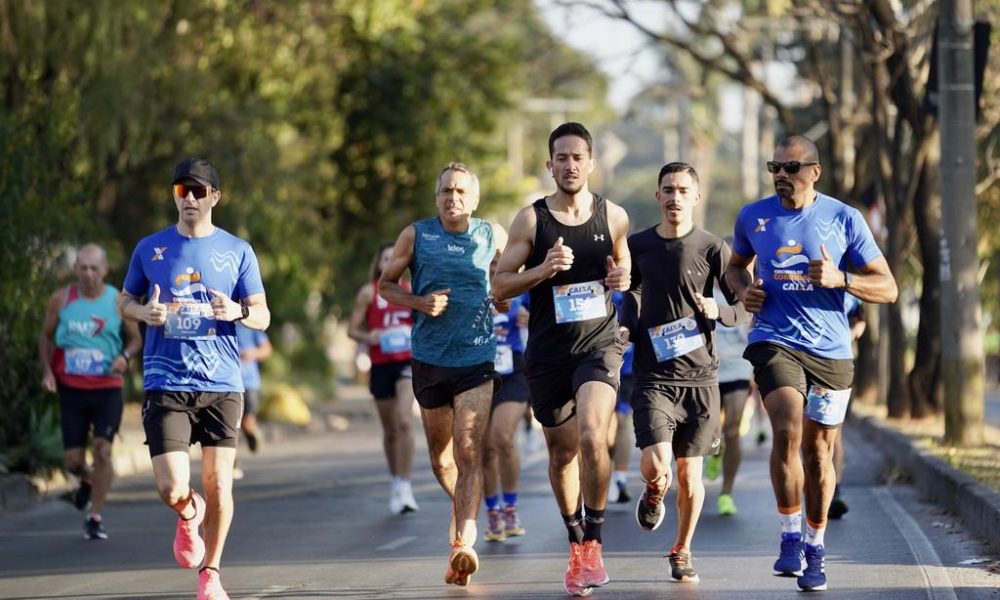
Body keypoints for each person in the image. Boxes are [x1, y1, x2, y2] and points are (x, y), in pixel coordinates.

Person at [725, 136, 897, 592]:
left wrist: (842, 278)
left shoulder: (844, 218)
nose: (782, 174)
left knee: (819, 453)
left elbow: (888, 288)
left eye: (792, 167)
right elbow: (734, 266)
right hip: (774, 340)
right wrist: (744, 292)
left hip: (831, 351)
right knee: (786, 426)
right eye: (774, 167)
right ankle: (788, 536)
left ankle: (815, 547)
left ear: (814, 172)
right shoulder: (753, 217)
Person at [119, 158, 270, 600]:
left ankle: (212, 573)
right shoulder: (150, 248)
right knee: (171, 487)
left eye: (198, 191)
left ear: (214, 198)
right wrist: (143, 312)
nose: (188, 198)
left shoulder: (238, 251)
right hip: (166, 382)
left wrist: (238, 311)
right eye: (181, 191)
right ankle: (188, 514)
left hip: (223, 382)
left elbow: (262, 315)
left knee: (219, 482)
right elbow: (124, 299)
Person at [492, 122, 631, 597]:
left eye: (578, 157)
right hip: (548, 353)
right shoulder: (530, 221)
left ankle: (594, 539)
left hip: (599, 344)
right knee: (562, 452)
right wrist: (543, 270)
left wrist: (620, 280)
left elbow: (624, 268)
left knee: (594, 434)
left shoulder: (614, 216)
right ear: (549, 164)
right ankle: (575, 542)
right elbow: (500, 286)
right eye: (561, 158)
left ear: (591, 163)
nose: (570, 166)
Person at [378, 162, 507, 587]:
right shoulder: (416, 235)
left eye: (460, 192)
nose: (453, 198)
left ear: (475, 199)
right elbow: (386, 285)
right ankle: (464, 510)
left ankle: (462, 544)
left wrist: (505, 298)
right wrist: (419, 303)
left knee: (469, 452)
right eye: (446, 191)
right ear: (437, 197)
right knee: (441, 458)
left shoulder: (493, 235)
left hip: (477, 358)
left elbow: (509, 279)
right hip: (430, 359)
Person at [621, 162, 746, 584]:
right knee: (657, 462)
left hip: (701, 379)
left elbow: (744, 302)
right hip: (654, 375)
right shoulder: (637, 244)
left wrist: (721, 311)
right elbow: (631, 290)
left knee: (691, 475)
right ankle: (655, 489)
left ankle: (682, 549)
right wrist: (626, 325)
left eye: (683, 190)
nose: (675, 197)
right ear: (658, 197)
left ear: (696, 196)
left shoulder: (714, 248)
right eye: (668, 189)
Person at [39, 243, 142, 540]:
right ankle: (87, 481)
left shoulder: (118, 302)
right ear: (75, 270)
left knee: (103, 450)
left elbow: (135, 340)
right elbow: (45, 338)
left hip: (107, 389)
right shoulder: (61, 300)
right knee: (72, 461)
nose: (88, 274)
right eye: (82, 267)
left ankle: (94, 516)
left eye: (94, 268)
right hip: (72, 390)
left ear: (105, 270)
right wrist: (47, 371)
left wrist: (125, 357)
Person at [347, 243, 419, 514]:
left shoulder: (411, 290)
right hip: (380, 365)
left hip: (407, 363)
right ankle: (395, 480)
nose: (389, 262)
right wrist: (369, 337)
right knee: (390, 430)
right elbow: (352, 330)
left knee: (404, 421)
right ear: (378, 263)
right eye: (385, 258)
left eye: (394, 258)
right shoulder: (369, 292)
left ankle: (406, 485)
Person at [703, 282, 755, 517]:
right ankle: (715, 450)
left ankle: (726, 493)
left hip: (738, 368)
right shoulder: (703, 289)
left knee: (733, 430)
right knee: (710, 429)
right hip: (709, 369)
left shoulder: (745, 293)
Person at [482, 292, 530, 542]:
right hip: (479, 372)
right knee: (485, 449)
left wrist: (530, 318)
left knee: (502, 436)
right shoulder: (472, 281)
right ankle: (493, 512)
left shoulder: (522, 288)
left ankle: (510, 507)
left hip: (513, 372)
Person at [828, 295, 866, 519]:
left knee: (834, 434)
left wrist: (847, 336)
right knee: (804, 435)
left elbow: (860, 320)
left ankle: (835, 491)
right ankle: (812, 486)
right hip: (800, 363)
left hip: (837, 365)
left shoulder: (848, 290)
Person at [232, 322, 271, 479]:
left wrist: (252, 353)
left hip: (249, 382)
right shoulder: (216, 320)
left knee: (247, 421)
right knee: (230, 426)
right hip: (228, 384)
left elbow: (267, 349)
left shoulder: (249, 323)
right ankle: (234, 463)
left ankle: (253, 435)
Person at [607, 290, 635, 504]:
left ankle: (620, 478)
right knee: (604, 428)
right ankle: (605, 475)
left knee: (621, 422)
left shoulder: (631, 289)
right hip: (597, 367)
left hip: (627, 369)